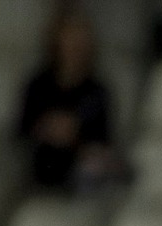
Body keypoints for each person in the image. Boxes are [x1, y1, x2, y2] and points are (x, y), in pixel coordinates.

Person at [18, 10, 121, 192]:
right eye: (70, 38)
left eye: (81, 39)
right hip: (40, 165)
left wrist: (75, 136)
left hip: (80, 171)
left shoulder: (97, 91)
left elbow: (104, 140)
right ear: (57, 42)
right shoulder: (38, 85)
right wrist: (47, 129)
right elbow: (21, 131)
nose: (76, 46)